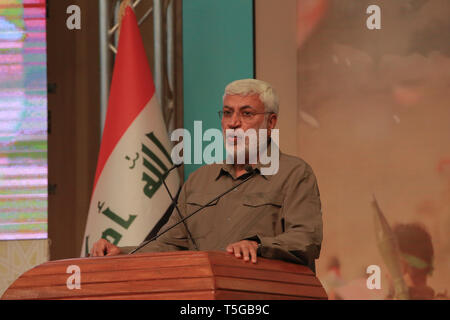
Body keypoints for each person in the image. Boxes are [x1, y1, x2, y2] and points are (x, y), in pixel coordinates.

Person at [90, 79, 323, 273]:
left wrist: (258, 246)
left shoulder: (294, 173)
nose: (233, 123)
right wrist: (124, 252)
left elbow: (306, 239)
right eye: (228, 113)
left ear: (271, 122)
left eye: (247, 114)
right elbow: (169, 244)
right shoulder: (200, 179)